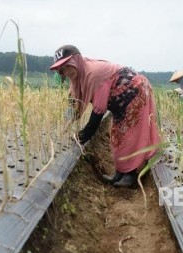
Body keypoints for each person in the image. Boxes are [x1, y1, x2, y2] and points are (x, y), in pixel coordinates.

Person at [50, 45, 161, 188]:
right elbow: (73, 104)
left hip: (135, 91)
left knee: (129, 133)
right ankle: (120, 173)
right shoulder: (77, 79)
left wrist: (84, 135)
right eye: (60, 71)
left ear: (75, 61)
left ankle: (131, 175)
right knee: (116, 135)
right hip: (119, 101)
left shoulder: (93, 74)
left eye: (66, 67)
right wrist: (62, 126)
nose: (64, 72)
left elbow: (99, 111)